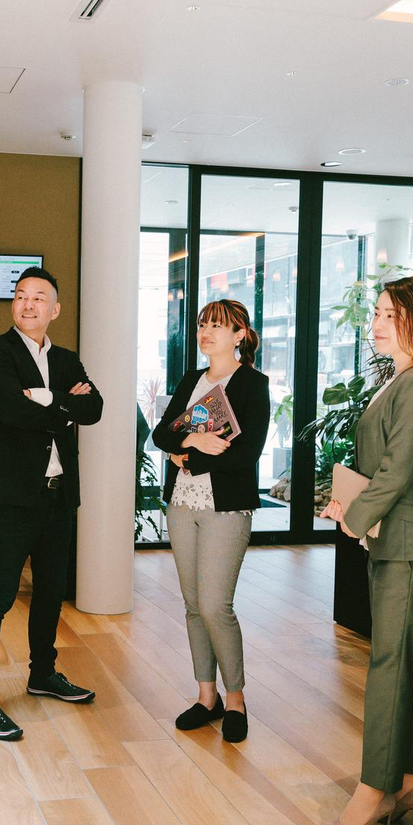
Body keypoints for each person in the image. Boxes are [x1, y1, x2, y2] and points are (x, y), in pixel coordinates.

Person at [317, 275, 413, 825]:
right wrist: (352, 502)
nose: (375, 324)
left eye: (389, 314)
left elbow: (400, 470)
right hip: (400, 535)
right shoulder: (405, 378)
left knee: (388, 666)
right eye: (376, 313)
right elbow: (389, 467)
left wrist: (355, 515)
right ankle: (408, 783)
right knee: (401, 663)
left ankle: (372, 792)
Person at [0, 266, 104, 741]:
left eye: (38, 297)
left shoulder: (66, 359)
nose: (28, 304)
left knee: (50, 593)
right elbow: (10, 410)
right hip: (13, 496)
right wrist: (66, 407)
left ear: (55, 310)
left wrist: (46, 397)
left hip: (59, 495)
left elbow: (95, 409)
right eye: (21, 295)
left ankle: (42, 674)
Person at [153, 299, 270, 744]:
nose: (205, 331)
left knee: (215, 607)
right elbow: (161, 434)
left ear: (240, 335)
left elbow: (248, 452)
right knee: (191, 605)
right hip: (182, 504)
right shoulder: (191, 380)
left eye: (217, 325)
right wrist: (193, 440)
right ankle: (207, 697)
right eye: (203, 324)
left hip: (226, 507)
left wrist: (187, 456)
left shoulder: (253, 384)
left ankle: (235, 699)